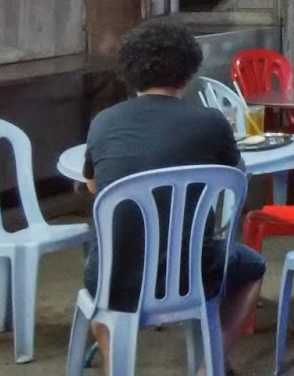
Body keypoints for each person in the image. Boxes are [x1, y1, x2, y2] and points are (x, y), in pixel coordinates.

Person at [81, 20, 265, 372]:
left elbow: (94, 187)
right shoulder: (211, 123)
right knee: (252, 267)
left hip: (115, 275)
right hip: (193, 271)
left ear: (129, 72)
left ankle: (117, 366)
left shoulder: (104, 121)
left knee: (99, 300)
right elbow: (234, 180)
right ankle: (208, 366)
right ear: (189, 71)